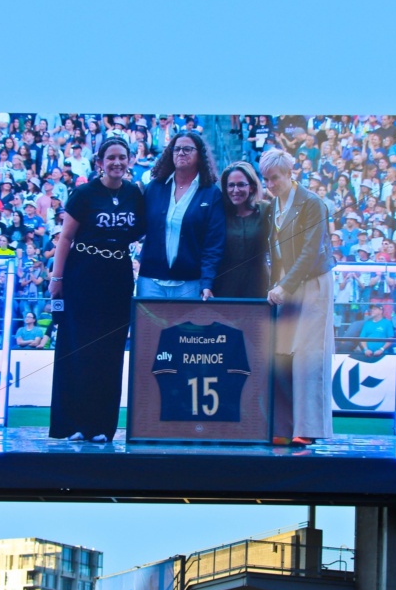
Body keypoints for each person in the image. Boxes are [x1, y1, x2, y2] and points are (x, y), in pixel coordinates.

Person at [48, 137, 145, 442]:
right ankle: (74, 424)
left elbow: (141, 229)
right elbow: (65, 238)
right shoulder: (85, 193)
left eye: (122, 157)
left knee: (110, 352)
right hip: (83, 274)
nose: (117, 162)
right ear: (100, 162)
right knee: (80, 349)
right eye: (111, 157)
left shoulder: (134, 193)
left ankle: (102, 426)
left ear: (129, 160)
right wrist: (57, 277)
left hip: (117, 276)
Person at [262, 150, 336, 446]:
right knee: (281, 354)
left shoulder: (312, 203)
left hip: (312, 282)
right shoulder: (273, 205)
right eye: (266, 179)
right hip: (285, 284)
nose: (270, 183)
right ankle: (283, 425)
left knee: (309, 356)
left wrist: (286, 285)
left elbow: (311, 251)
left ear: (290, 173)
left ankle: (308, 428)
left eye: (275, 177)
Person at [138, 131, 225, 300]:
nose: (181, 153)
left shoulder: (211, 193)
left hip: (190, 283)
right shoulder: (155, 188)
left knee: (185, 328)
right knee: (148, 327)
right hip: (150, 282)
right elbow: (137, 227)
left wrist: (207, 282)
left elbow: (213, 244)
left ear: (199, 155)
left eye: (187, 149)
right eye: (176, 149)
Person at [213, 161, 270, 298]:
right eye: (231, 185)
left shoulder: (265, 209)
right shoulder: (219, 212)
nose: (235, 190)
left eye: (241, 185)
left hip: (258, 284)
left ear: (251, 187)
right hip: (225, 285)